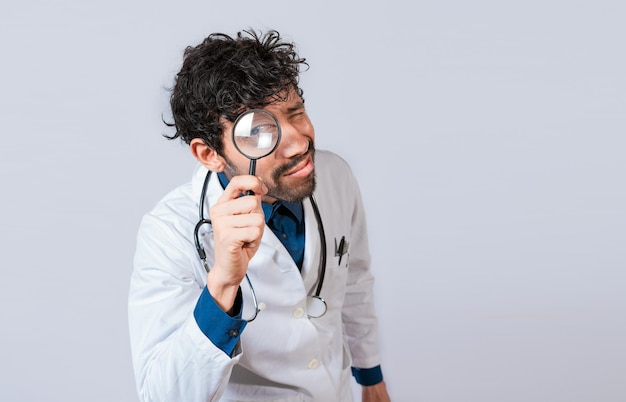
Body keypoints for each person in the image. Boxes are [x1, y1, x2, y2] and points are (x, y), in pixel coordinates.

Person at [128, 29, 391, 402]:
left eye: (296, 111)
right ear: (209, 154)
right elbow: (162, 395)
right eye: (260, 132)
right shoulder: (168, 232)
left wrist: (371, 377)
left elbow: (355, 282)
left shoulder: (335, 176)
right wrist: (222, 283)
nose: (300, 142)